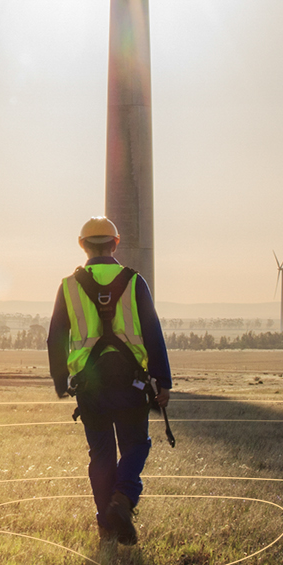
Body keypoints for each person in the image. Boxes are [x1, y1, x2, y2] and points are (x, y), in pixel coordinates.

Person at [46, 216, 171, 546]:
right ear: (115, 243)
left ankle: (106, 524)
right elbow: (153, 333)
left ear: (81, 244)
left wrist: (61, 381)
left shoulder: (68, 286)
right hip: (131, 382)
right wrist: (164, 381)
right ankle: (123, 499)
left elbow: (56, 336)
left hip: (90, 384)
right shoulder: (134, 281)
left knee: (100, 456)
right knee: (136, 445)